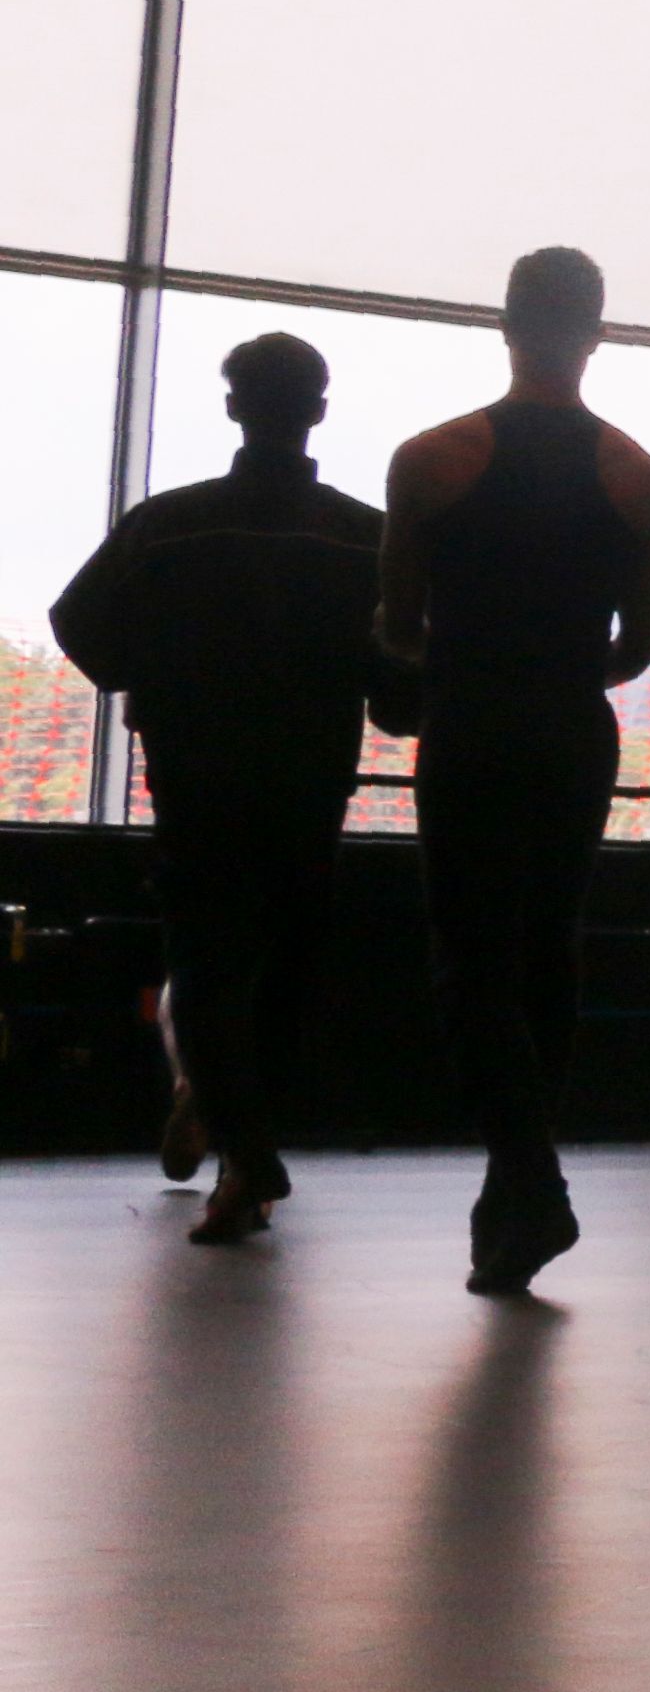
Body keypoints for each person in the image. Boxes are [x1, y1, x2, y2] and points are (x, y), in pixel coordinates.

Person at [381, 250, 650, 1297]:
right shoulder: (641, 478)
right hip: (570, 726)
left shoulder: (432, 459)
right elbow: (638, 645)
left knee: (470, 959)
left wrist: (467, 658)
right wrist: (561, 665)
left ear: (505, 323)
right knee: (548, 949)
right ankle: (513, 1196)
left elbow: (398, 626)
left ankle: (530, 1183)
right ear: (598, 332)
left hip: (473, 718)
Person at [49, 333, 384, 1247]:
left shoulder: (169, 525)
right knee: (285, 965)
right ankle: (244, 1153)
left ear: (232, 405)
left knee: (202, 958)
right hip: (312, 782)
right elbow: (397, 679)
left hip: (197, 777)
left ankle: (236, 1136)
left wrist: (148, 679)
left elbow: (75, 621)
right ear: (319, 409)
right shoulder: (362, 536)